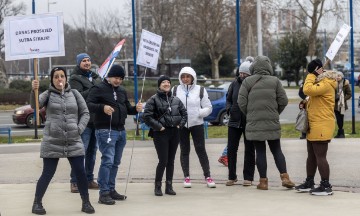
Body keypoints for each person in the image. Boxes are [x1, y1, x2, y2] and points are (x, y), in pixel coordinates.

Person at [30, 67, 94, 214]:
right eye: (56, 77)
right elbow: (35, 105)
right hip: (53, 140)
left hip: (73, 139)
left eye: (62, 76)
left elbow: (85, 113)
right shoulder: (47, 94)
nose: (60, 79)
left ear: (66, 78)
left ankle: (86, 203)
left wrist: (79, 129)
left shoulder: (75, 94)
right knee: (48, 173)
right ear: (52, 80)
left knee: (80, 172)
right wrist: (33, 90)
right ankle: (37, 203)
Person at [87, 64, 142, 205]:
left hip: (120, 131)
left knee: (115, 162)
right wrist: (102, 107)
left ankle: (111, 189)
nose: (118, 81)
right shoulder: (98, 88)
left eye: (120, 78)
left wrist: (135, 109)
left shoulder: (122, 91)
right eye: (116, 78)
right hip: (105, 130)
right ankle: (103, 192)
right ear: (109, 76)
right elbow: (88, 104)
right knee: (108, 161)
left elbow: (127, 109)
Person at [238, 56, 295, 190]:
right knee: (277, 150)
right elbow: (284, 101)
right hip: (272, 121)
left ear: (254, 67)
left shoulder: (247, 82)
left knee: (260, 151)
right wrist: (275, 113)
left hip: (254, 123)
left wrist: (251, 114)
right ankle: (285, 177)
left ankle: (263, 182)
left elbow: (241, 102)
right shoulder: (275, 81)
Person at [295, 59, 337, 195]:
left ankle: (326, 185)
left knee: (320, 156)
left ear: (316, 71)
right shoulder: (320, 83)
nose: (309, 74)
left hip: (322, 124)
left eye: (311, 72)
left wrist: (310, 76)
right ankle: (309, 181)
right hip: (314, 124)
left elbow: (307, 89)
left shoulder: (326, 83)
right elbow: (310, 97)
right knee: (311, 156)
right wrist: (305, 104)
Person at [143, 76, 187, 196]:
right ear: (159, 85)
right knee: (163, 160)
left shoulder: (176, 100)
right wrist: (159, 127)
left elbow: (184, 114)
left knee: (171, 161)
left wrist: (180, 125)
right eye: (163, 82)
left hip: (174, 133)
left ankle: (169, 186)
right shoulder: (153, 99)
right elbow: (146, 116)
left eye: (168, 82)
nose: (166, 84)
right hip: (161, 133)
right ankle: (158, 186)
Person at [173, 66, 216, 188]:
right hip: (181, 125)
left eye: (188, 76)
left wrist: (200, 113)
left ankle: (208, 176)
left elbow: (209, 107)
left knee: (200, 149)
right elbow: (170, 106)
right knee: (184, 150)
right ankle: (186, 177)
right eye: (183, 76)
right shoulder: (175, 90)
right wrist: (175, 117)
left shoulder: (200, 90)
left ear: (193, 77)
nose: (185, 79)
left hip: (197, 124)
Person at [68, 53, 102, 193]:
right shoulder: (75, 78)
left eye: (88, 60)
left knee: (92, 153)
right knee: (80, 152)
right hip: (84, 121)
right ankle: (74, 181)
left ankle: (88, 179)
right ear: (79, 63)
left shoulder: (96, 77)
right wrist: (94, 89)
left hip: (97, 120)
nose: (87, 63)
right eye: (84, 61)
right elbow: (77, 96)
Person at [225, 56, 256, 187]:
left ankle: (248, 177)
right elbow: (228, 99)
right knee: (231, 150)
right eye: (241, 72)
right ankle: (232, 176)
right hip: (234, 122)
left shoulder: (253, 85)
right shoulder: (234, 84)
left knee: (249, 150)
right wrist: (229, 110)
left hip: (249, 122)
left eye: (245, 73)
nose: (242, 75)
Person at [334, 71, 351, 138]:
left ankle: (341, 133)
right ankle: (340, 133)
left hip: (342, 105)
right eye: (337, 76)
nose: (337, 77)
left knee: (341, 118)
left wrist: (342, 99)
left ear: (342, 77)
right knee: (338, 119)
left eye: (339, 76)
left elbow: (349, 94)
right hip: (335, 104)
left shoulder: (345, 84)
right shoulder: (333, 83)